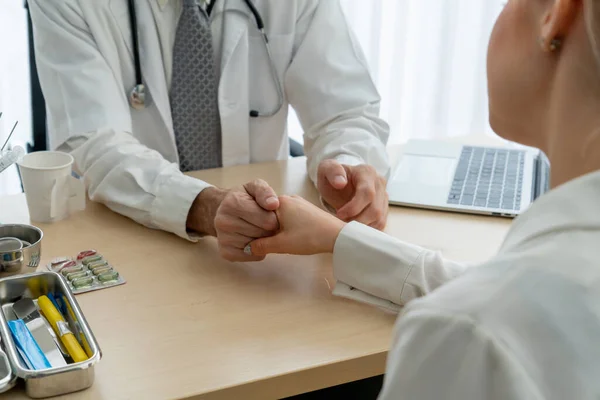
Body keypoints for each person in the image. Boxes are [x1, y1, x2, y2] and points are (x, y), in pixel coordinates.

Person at [249, 0, 600, 398]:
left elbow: (489, 316)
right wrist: (339, 239)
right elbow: (522, 301)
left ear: (558, 13)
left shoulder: (469, 342)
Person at [27, 0, 390, 262]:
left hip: (274, 252)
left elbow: (345, 109)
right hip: (138, 244)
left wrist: (347, 164)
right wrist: (202, 205)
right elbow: (94, 144)